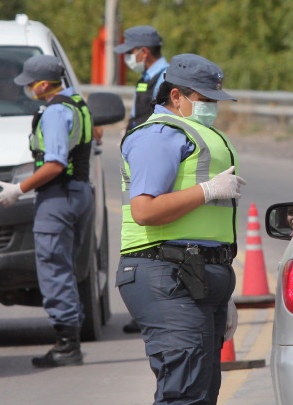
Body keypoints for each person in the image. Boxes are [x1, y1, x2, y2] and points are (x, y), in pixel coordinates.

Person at [117, 54, 244, 405]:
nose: (212, 106)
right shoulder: (159, 137)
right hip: (161, 271)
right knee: (184, 379)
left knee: (202, 384)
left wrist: (222, 292)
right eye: (204, 98)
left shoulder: (190, 134)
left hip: (195, 274)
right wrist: (209, 191)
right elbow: (146, 210)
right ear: (176, 96)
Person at [0, 55, 95, 368]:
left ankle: (67, 345)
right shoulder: (77, 103)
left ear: (42, 84)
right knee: (67, 268)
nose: (26, 89)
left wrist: (18, 189)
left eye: (29, 84)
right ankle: (71, 338)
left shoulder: (54, 113)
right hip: (79, 191)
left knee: (53, 269)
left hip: (58, 196)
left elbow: (54, 163)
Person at [114, 25, 170, 334]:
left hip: (153, 161)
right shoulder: (148, 77)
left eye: (130, 52)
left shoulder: (164, 78)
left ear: (143, 52)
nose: (128, 59)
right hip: (141, 156)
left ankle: (154, 304)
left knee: (152, 230)